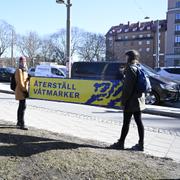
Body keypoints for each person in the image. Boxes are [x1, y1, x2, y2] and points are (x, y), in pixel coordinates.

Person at [108, 50, 146, 151]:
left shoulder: (130, 69)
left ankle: (120, 143)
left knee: (126, 123)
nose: (125, 59)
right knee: (139, 122)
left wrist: (123, 102)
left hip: (131, 101)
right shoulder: (139, 67)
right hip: (139, 99)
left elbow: (128, 88)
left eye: (126, 57)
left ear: (130, 57)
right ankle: (141, 144)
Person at [15, 56, 29, 130]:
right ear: (19, 62)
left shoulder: (25, 70)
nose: (23, 63)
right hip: (21, 91)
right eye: (22, 61)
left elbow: (24, 81)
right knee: (22, 107)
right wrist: (24, 91)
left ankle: (19, 122)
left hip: (24, 91)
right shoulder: (19, 70)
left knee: (22, 106)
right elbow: (20, 82)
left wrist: (28, 79)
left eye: (24, 61)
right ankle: (21, 123)